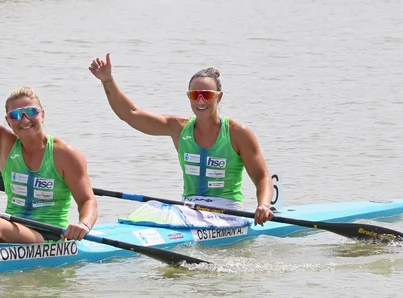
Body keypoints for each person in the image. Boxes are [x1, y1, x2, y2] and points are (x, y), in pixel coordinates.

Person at [88, 54, 274, 226]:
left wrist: (263, 205)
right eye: (194, 95)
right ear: (189, 97)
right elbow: (131, 114)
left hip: (227, 212)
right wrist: (107, 80)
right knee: (151, 208)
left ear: (219, 97)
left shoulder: (238, 133)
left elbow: (262, 177)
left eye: (207, 95)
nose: (200, 101)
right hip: (189, 209)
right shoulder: (178, 128)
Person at [0, 44, 98, 243]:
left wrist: (83, 224)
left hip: (48, 238)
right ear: (8, 121)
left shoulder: (64, 154)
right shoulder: (4, 145)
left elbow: (88, 200)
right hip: (11, 228)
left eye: (31, 112)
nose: (24, 120)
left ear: (42, 114)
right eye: (16, 115)